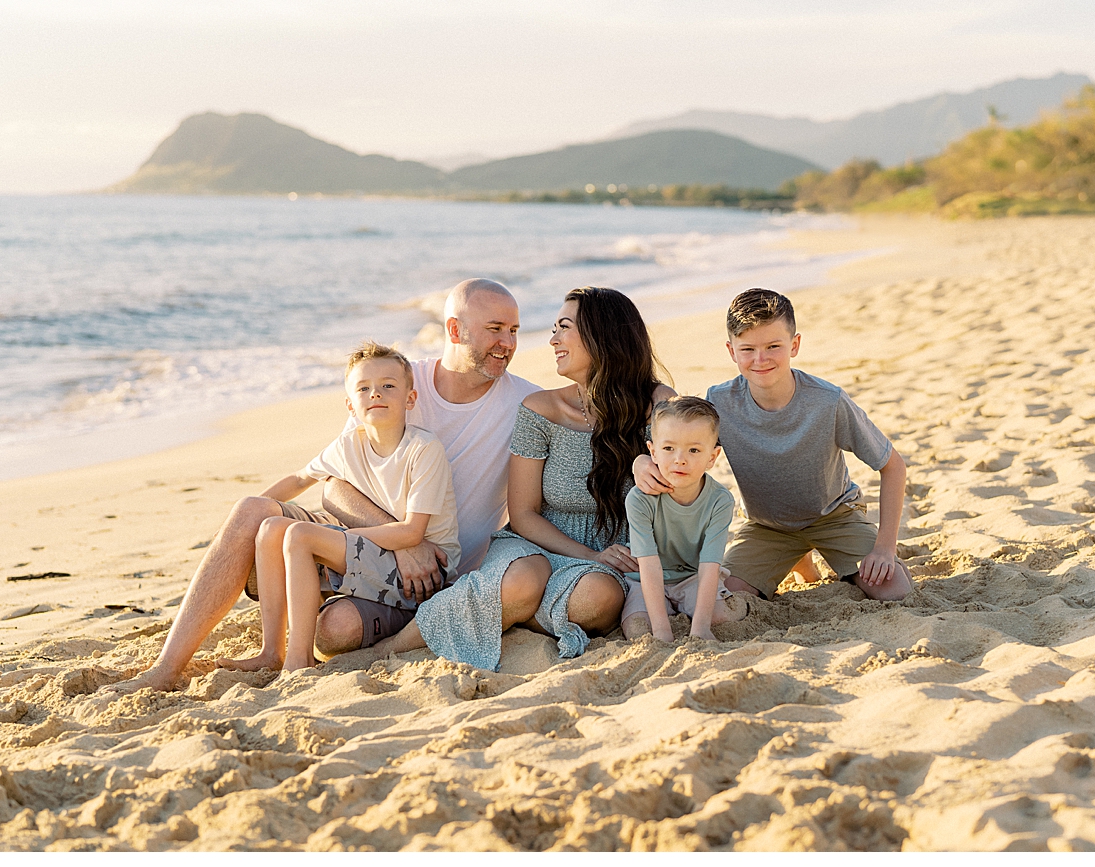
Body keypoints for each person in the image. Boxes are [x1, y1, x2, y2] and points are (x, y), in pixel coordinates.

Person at [107, 278, 560, 693]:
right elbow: (334, 487)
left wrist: (414, 540)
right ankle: (168, 668)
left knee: (336, 632)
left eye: (515, 331)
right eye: (496, 329)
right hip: (373, 540)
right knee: (251, 512)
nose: (508, 344)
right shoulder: (392, 381)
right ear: (455, 330)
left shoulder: (526, 403)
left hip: (429, 576)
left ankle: (308, 611)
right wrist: (404, 539)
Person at [342, 286, 676, 672]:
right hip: (536, 540)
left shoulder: (658, 403)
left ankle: (513, 613)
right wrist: (587, 554)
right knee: (520, 582)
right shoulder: (540, 407)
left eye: (563, 328)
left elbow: (682, 476)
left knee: (596, 601)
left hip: (611, 551)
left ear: (602, 335)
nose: (551, 339)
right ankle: (390, 650)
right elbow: (523, 514)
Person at [634, 287, 913, 602]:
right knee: (725, 597)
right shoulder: (718, 402)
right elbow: (675, 437)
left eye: (773, 346)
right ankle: (796, 557)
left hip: (834, 516)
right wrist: (640, 461)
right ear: (731, 351)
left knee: (895, 591)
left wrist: (885, 549)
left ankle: (811, 554)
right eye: (748, 349)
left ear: (794, 345)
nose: (760, 359)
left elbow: (893, 466)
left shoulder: (827, 401)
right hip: (767, 527)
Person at [217, 342, 459, 672]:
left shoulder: (422, 449)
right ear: (350, 405)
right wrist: (245, 516)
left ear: (410, 398)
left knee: (302, 536)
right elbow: (299, 479)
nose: (376, 394)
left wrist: (338, 538)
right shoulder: (349, 444)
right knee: (272, 527)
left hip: (425, 572)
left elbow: (413, 531)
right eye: (364, 388)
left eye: (388, 385)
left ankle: (299, 660)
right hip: (380, 551)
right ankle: (272, 651)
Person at [620, 396, 744, 642]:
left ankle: (696, 610)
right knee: (638, 629)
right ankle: (666, 614)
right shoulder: (639, 499)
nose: (680, 459)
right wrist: (662, 631)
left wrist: (700, 629)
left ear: (712, 457)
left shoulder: (720, 500)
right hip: (645, 579)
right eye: (668, 448)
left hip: (693, 577)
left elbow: (710, 567)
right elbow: (649, 566)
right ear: (652, 452)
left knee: (721, 618)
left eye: (694, 450)